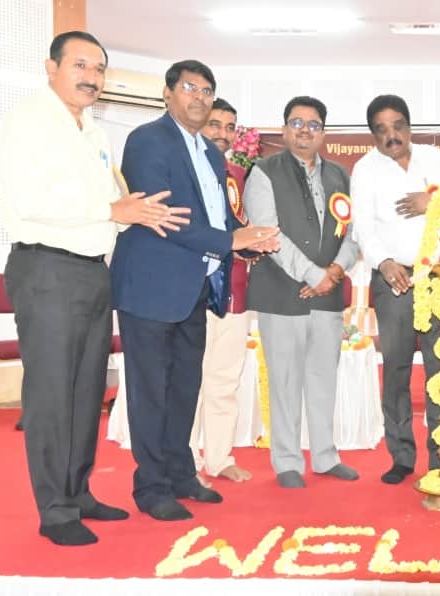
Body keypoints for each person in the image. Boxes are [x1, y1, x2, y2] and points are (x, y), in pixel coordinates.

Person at [0, 31, 189, 545]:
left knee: (86, 392)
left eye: (99, 68)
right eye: (80, 65)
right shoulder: (28, 122)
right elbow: (31, 200)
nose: (92, 77)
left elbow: (115, 206)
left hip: (92, 270)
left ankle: (78, 492)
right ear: (51, 67)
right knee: (52, 395)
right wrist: (112, 210)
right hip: (46, 269)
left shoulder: (95, 133)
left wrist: (138, 215)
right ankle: (55, 510)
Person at [112, 60, 279, 521]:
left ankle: (181, 473)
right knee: (152, 392)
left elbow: (217, 216)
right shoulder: (147, 140)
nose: (200, 98)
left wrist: (248, 239)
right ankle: (151, 487)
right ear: (168, 93)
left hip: (195, 287)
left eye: (207, 90)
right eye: (190, 88)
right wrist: (231, 240)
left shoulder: (209, 152)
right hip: (151, 286)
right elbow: (164, 216)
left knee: (185, 387)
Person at [352, 94, 440, 485]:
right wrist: (384, 263)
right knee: (397, 369)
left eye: (398, 126)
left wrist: (434, 201)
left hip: (438, 279)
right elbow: (362, 228)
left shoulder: (434, 160)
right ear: (373, 135)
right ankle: (402, 456)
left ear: (409, 126)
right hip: (396, 280)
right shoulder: (365, 170)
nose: (392, 135)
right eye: (381, 130)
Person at [244, 96, 360, 488]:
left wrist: (335, 271)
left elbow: (352, 234)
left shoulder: (341, 175)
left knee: (323, 378)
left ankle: (326, 457)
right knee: (285, 381)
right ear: (284, 129)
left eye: (313, 124)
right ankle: (288, 462)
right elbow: (267, 232)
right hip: (281, 294)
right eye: (296, 122)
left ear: (323, 132)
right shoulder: (264, 172)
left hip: (328, 295)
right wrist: (313, 274)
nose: (305, 130)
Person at [189, 98, 254, 486]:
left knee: (225, 380)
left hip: (234, 291)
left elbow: (244, 228)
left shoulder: (239, 175)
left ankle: (218, 458)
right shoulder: (185, 168)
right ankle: (186, 460)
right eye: (215, 124)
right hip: (192, 291)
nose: (222, 134)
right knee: (190, 381)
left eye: (230, 127)